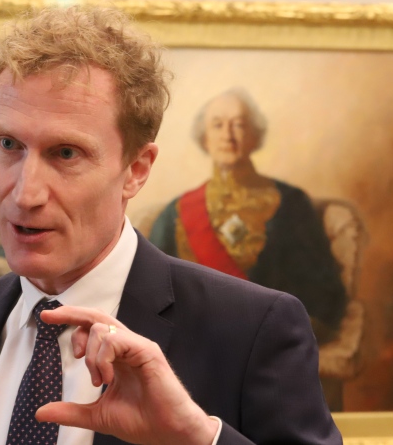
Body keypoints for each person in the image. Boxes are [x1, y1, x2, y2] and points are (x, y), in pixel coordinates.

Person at [0, 5, 341, 445]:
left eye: (65, 154)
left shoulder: (251, 328)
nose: (25, 194)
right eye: (8, 144)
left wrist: (199, 436)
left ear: (136, 169)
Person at [148, 88, 347, 344]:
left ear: (254, 136)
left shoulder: (291, 204)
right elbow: (153, 291)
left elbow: (322, 290)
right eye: (217, 125)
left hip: (269, 343)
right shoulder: (175, 213)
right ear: (205, 138)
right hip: (195, 347)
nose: (227, 136)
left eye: (239, 125)